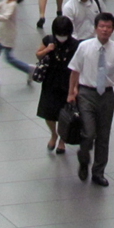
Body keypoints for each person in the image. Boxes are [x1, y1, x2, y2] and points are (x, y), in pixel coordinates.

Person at [67, 11, 114, 186]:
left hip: (106, 96)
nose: (104, 30)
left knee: (104, 135)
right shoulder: (84, 47)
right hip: (86, 93)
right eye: (101, 27)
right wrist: (71, 92)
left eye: (108, 27)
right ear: (96, 28)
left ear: (112, 29)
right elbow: (74, 69)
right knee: (89, 132)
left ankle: (98, 172)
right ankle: (84, 156)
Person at [36, 16, 79, 153]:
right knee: (48, 111)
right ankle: (53, 134)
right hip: (51, 80)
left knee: (65, 113)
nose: (61, 37)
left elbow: (78, 67)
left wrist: (75, 88)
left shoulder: (75, 45)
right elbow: (38, 54)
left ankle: (62, 139)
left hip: (67, 81)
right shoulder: (48, 40)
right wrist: (47, 50)